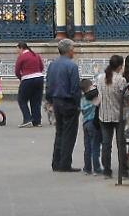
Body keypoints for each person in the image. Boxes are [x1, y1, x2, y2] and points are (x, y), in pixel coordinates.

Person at [45, 38, 82, 171]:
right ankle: (65, 163)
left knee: (59, 131)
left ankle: (56, 162)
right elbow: (75, 88)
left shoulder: (52, 65)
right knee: (69, 133)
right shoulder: (72, 66)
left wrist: (49, 100)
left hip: (56, 101)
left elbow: (48, 84)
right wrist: (78, 104)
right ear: (69, 50)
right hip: (68, 102)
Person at [97, 54, 125, 177]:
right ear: (120, 66)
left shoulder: (100, 78)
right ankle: (123, 170)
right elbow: (125, 96)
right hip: (118, 115)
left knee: (106, 144)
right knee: (121, 144)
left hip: (104, 114)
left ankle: (106, 170)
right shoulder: (121, 80)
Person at [13, 41, 45, 127]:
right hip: (39, 78)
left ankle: (27, 119)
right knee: (36, 101)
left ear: (21, 48)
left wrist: (22, 78)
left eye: (17, 50)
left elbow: (17, 71)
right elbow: (42, 67)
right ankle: (37, 121)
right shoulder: (36, 55)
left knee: (22, 100)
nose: (17, 52)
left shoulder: (22, 57)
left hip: (27, 79)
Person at [79, 78, 101, 175]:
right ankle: (96, 168)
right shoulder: (93, 97)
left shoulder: (83, 99)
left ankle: (87, 168)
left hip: (85, 123)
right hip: (93, 122)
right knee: (95, 146)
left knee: (87, 147)